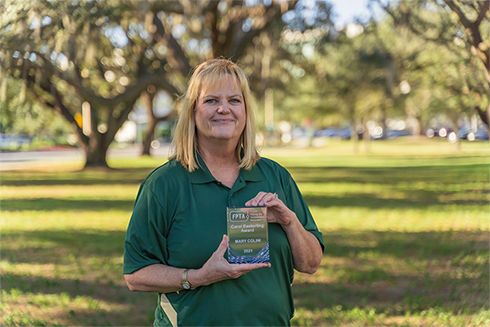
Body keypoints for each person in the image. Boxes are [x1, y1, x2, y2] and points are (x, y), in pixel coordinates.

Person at [123, 58, 324, 326]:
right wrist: (199, 276)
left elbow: (310, 264)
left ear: (246, 111)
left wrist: (289, 222)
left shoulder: (276, 176)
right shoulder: (164, 184)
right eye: (211, 100)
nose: (223, 109)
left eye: (234, 100)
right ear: (193, 112)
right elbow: (136, 274)